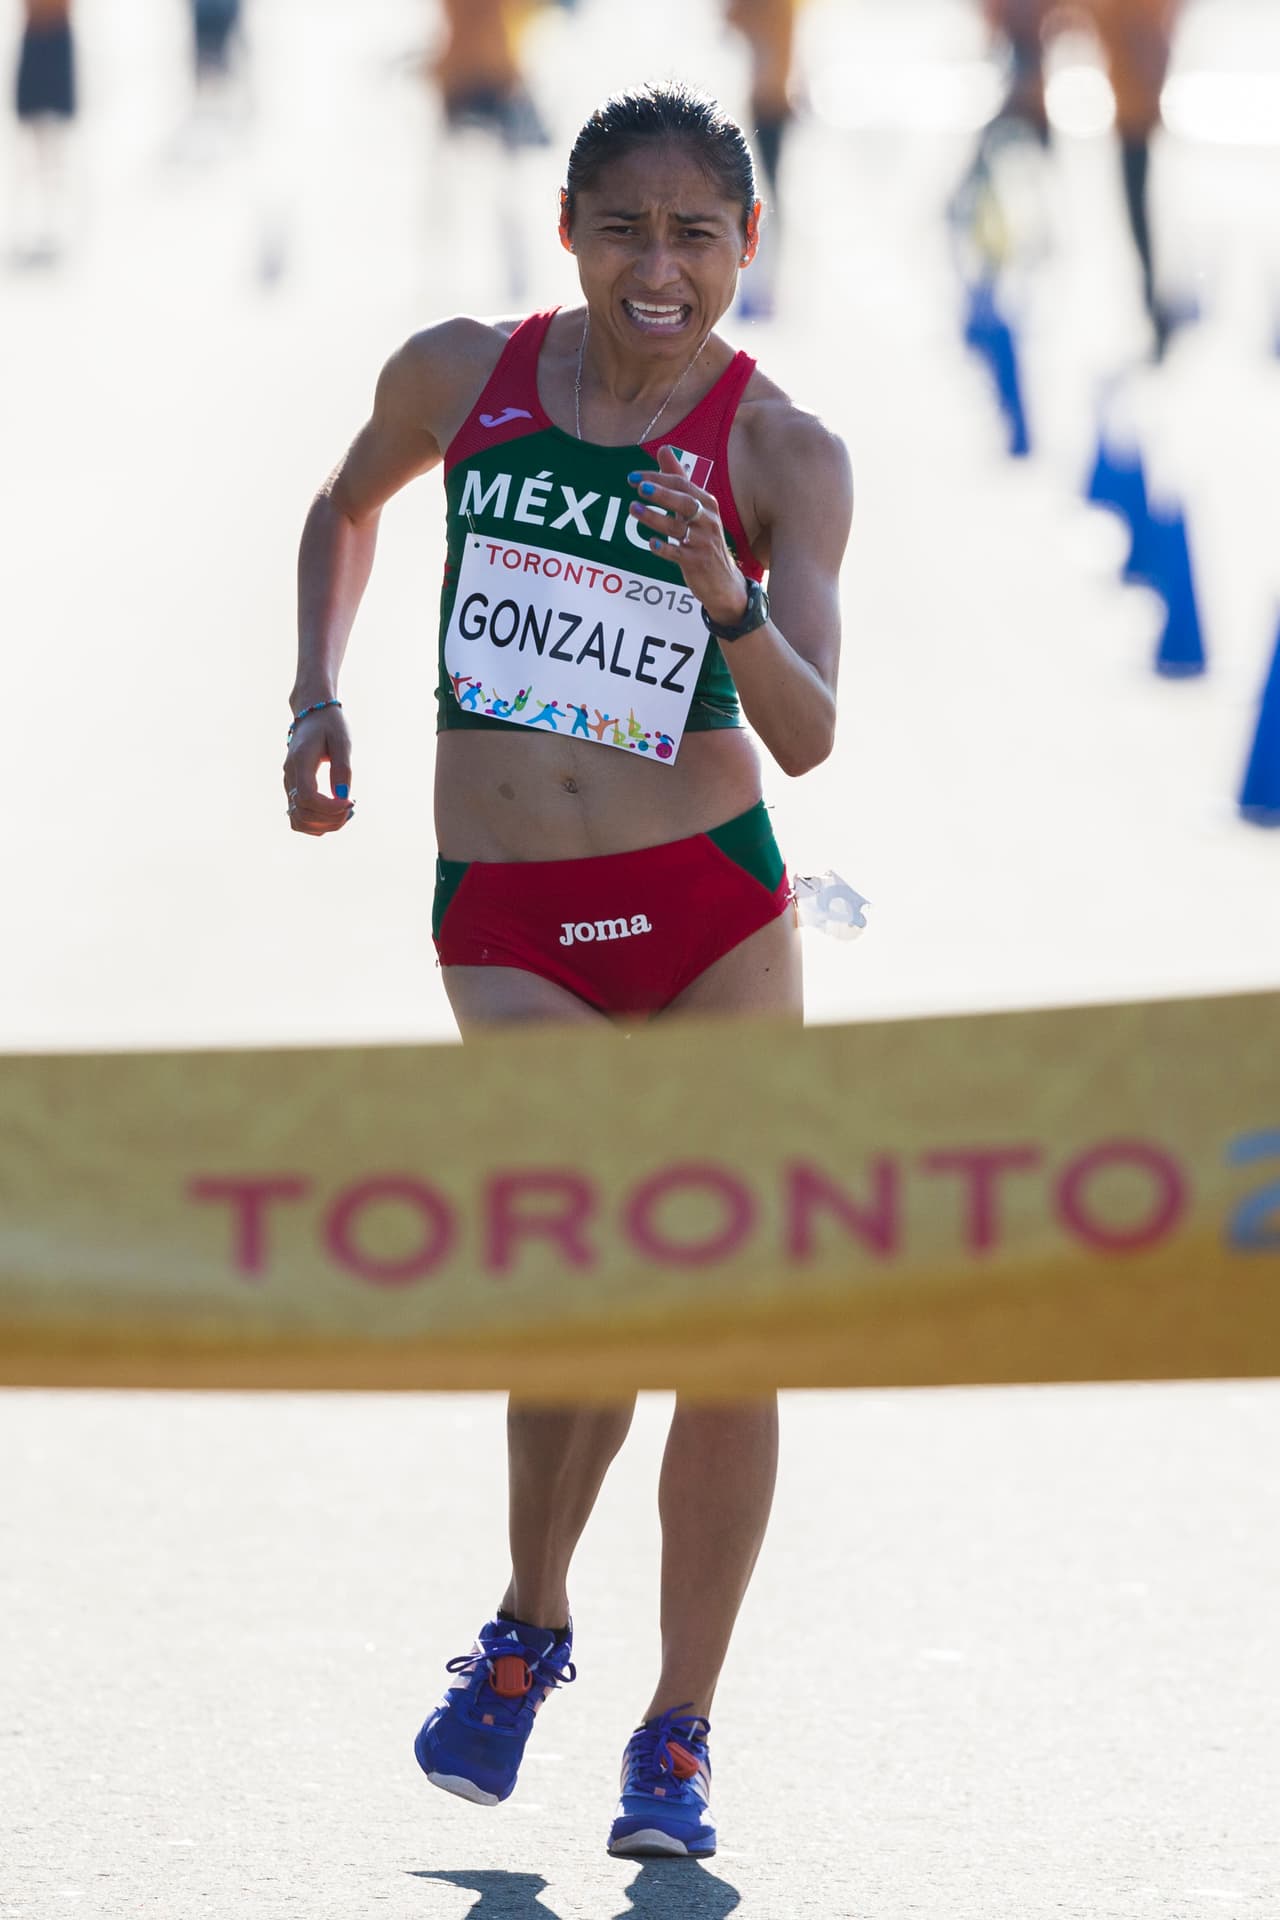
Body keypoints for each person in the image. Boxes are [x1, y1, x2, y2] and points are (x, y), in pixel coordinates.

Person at [284, 82, 852, 1858]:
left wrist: (727, 594)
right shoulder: (466, 376)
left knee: (730, 1324)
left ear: (746, 246)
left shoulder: (781, 455)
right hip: (513, 917)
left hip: (713, 911)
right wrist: (317, 690)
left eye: (697, 234)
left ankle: (676, 1732)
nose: (660, 265)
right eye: (627, 227)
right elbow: (340, 506)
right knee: (598, 1269)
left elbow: (814, 738)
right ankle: (531, 1622)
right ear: (570, 229)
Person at [956, 0, 1182, 355]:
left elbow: (1081, 18)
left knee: (1136, 211)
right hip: (1127, 110)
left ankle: (1020, 244)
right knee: (1135, 211)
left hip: (1128, 114)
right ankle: (1019, 244)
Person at [11, 0, 76, 264]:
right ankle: (34, 220)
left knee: (54, 147)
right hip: (34, 36)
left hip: (56, 36)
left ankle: (54, 219)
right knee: (33, 145)